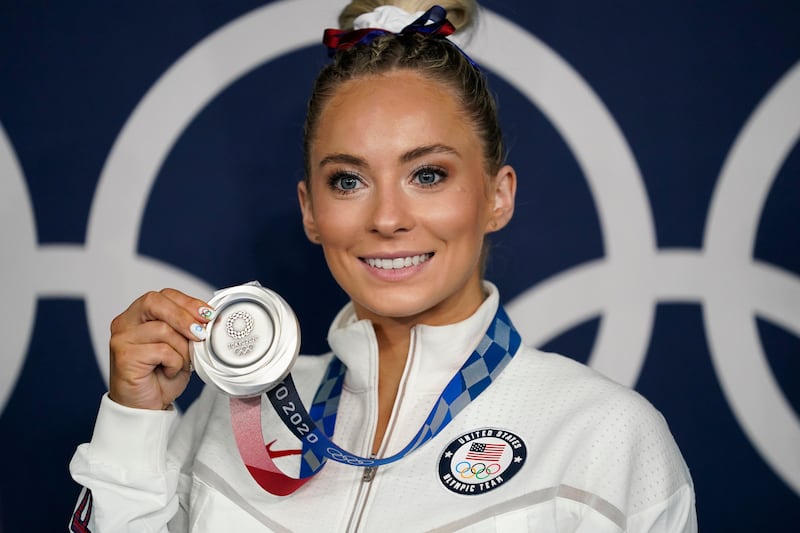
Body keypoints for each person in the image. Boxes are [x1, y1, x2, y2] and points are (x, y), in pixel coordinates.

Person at [69, 1, 697, 531]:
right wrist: (136, 420)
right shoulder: (229, 414)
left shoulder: (603, 437)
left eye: (428, 174)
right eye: (348, 181)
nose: (388, 217)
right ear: (310, 210)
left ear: (498, 195)